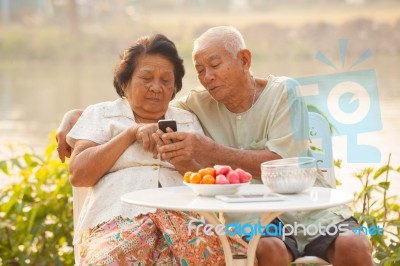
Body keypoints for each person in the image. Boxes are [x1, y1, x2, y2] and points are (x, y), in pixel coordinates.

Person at [57, 27, 373, 266]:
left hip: (282, 209)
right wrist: (80, 118)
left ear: (245, 60)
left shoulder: (200, 113)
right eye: (200, 70)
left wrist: (198, 154)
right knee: (266, 250)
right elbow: (86, 165)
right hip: (130, 221)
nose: (157, 88)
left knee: (352, 247)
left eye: (166, 80)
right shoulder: (120, 113)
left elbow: (250, 169)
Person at [65, 33, 246, 265]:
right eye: (146, 78)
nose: (156, 88)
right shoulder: (101, 115)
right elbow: (79, 174)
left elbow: (208, 179)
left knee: (235, 256)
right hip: (119, 221)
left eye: (166, 81)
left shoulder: (187, 120)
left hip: (186, 223)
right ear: (124, 82)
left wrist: (184, 163)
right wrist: (130, 134)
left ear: (174, 87)